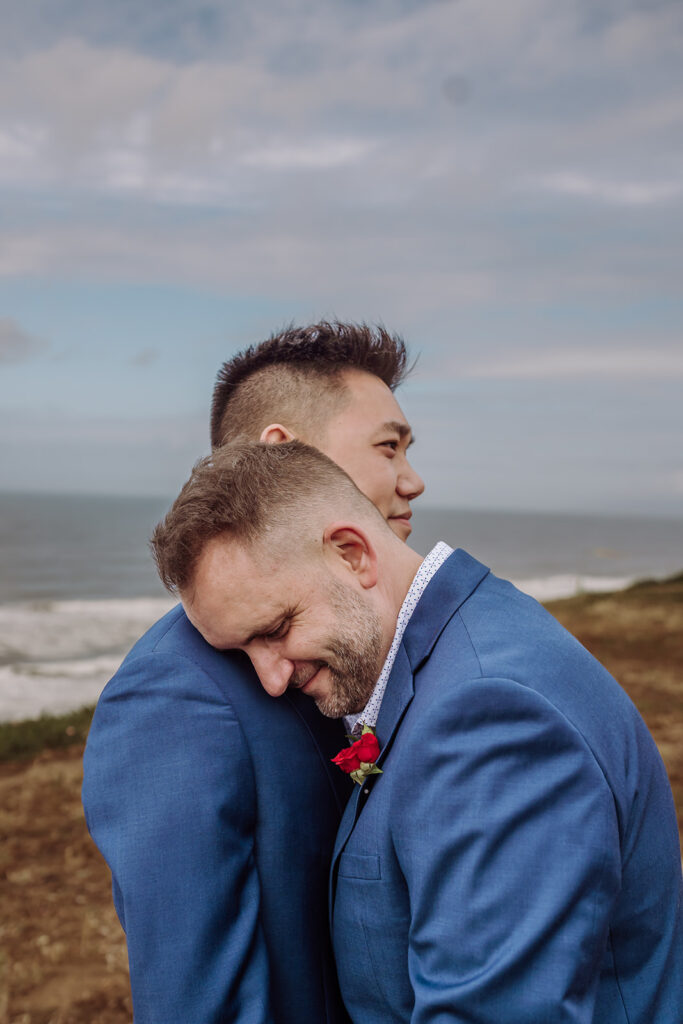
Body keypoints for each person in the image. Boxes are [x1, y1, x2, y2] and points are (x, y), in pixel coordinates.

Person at [152, 439, 683, 1024]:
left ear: (352, 555)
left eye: (276, 628)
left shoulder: (489, 720)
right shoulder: (461, 648)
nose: (271, 679)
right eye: (242, 651)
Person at [82, 322, 425, 1024]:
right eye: (387, 447)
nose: (411, 479)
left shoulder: (344, 643)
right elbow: (194, 998)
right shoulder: (173, 695)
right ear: (284, 453)